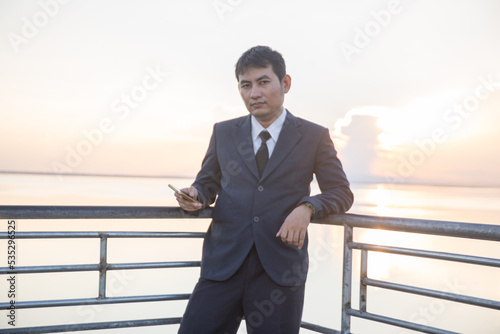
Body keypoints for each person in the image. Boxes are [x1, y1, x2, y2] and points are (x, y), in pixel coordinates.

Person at [175, 45, 353, 334]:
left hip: (279, 273)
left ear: (285, 83)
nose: (254, 93)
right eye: (246, 85)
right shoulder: (223, 132)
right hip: (222, 266)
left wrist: (307, 207)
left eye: (263, 82)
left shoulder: (313, 136)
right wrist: (194, 195)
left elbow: (341, 192)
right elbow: (207, 183)